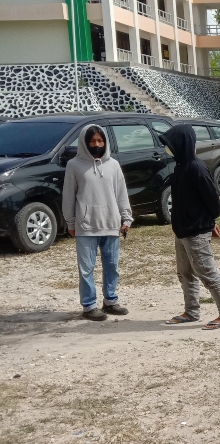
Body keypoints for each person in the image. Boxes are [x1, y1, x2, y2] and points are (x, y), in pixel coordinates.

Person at [161, 124, 220, 330]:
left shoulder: (196, 168)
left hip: (196, 232)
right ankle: (191, 311)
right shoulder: (180, 167)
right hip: (182, 231)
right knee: (185, 274)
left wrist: (209, 222)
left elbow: (213, 203)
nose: (169, 149)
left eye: (171, 145)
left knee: (207, 274)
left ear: (182, 144)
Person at [62, 125, 133, 321]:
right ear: (84, 143)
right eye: (92, 141)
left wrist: (126, 217)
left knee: (112, 266)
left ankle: (110, 301)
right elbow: (68, 196)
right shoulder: (74, 165)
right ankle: (89, 305)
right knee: (86, 269)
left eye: (100, 141)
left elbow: (121, 193)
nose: (97, 144)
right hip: (86, 226)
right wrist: (71, 222)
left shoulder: (113, 165)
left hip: (111, 223)